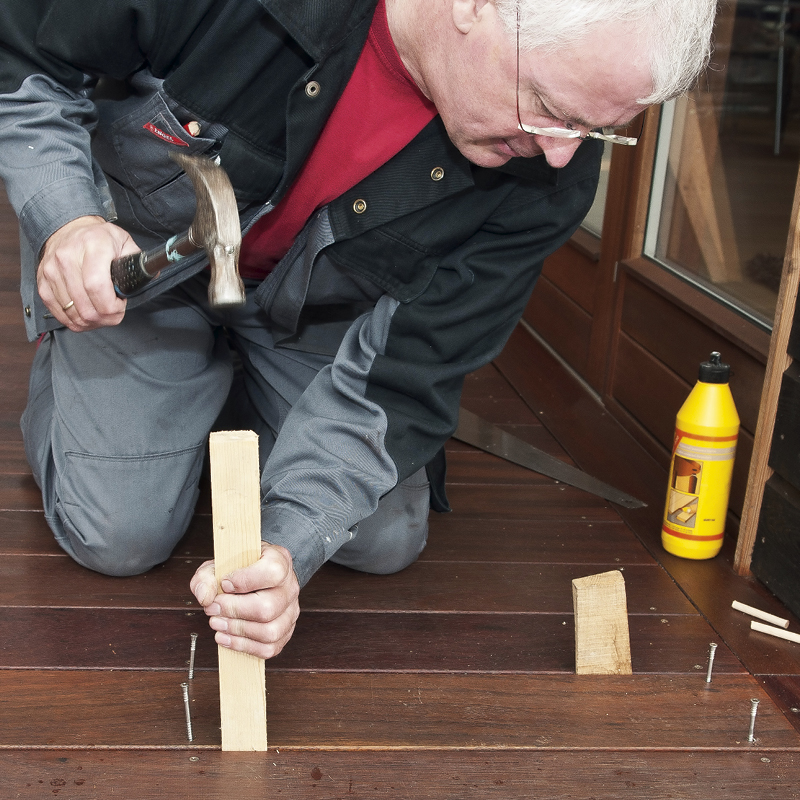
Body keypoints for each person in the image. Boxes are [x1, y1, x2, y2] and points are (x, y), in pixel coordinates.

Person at [0, 0, 716, 659]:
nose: (563, 153)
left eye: (593, 130)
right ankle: (100, 365)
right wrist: (66, 218)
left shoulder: (553, 167)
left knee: (380, 538)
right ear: (474, 7)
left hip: (310, 302)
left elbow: (416, 367)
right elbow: (24, 52)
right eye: (547, 108)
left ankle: (237, 396)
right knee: (119, 535)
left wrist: (284, 553)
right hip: (141, 265)